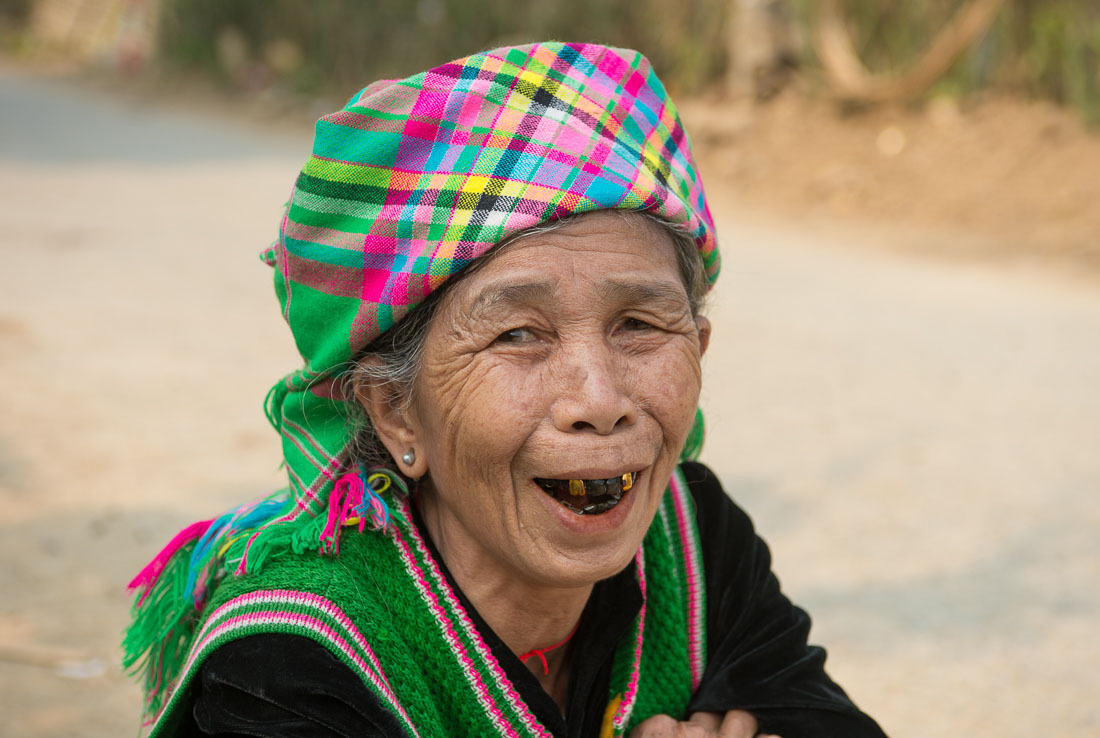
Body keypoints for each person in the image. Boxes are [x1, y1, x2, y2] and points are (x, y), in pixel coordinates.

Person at [123, 42, 889, 738]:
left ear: (700, 348)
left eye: (638, 325)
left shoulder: (691, 540)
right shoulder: (290, 664)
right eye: (518, 334)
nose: (598, 398)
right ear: (395, 412)